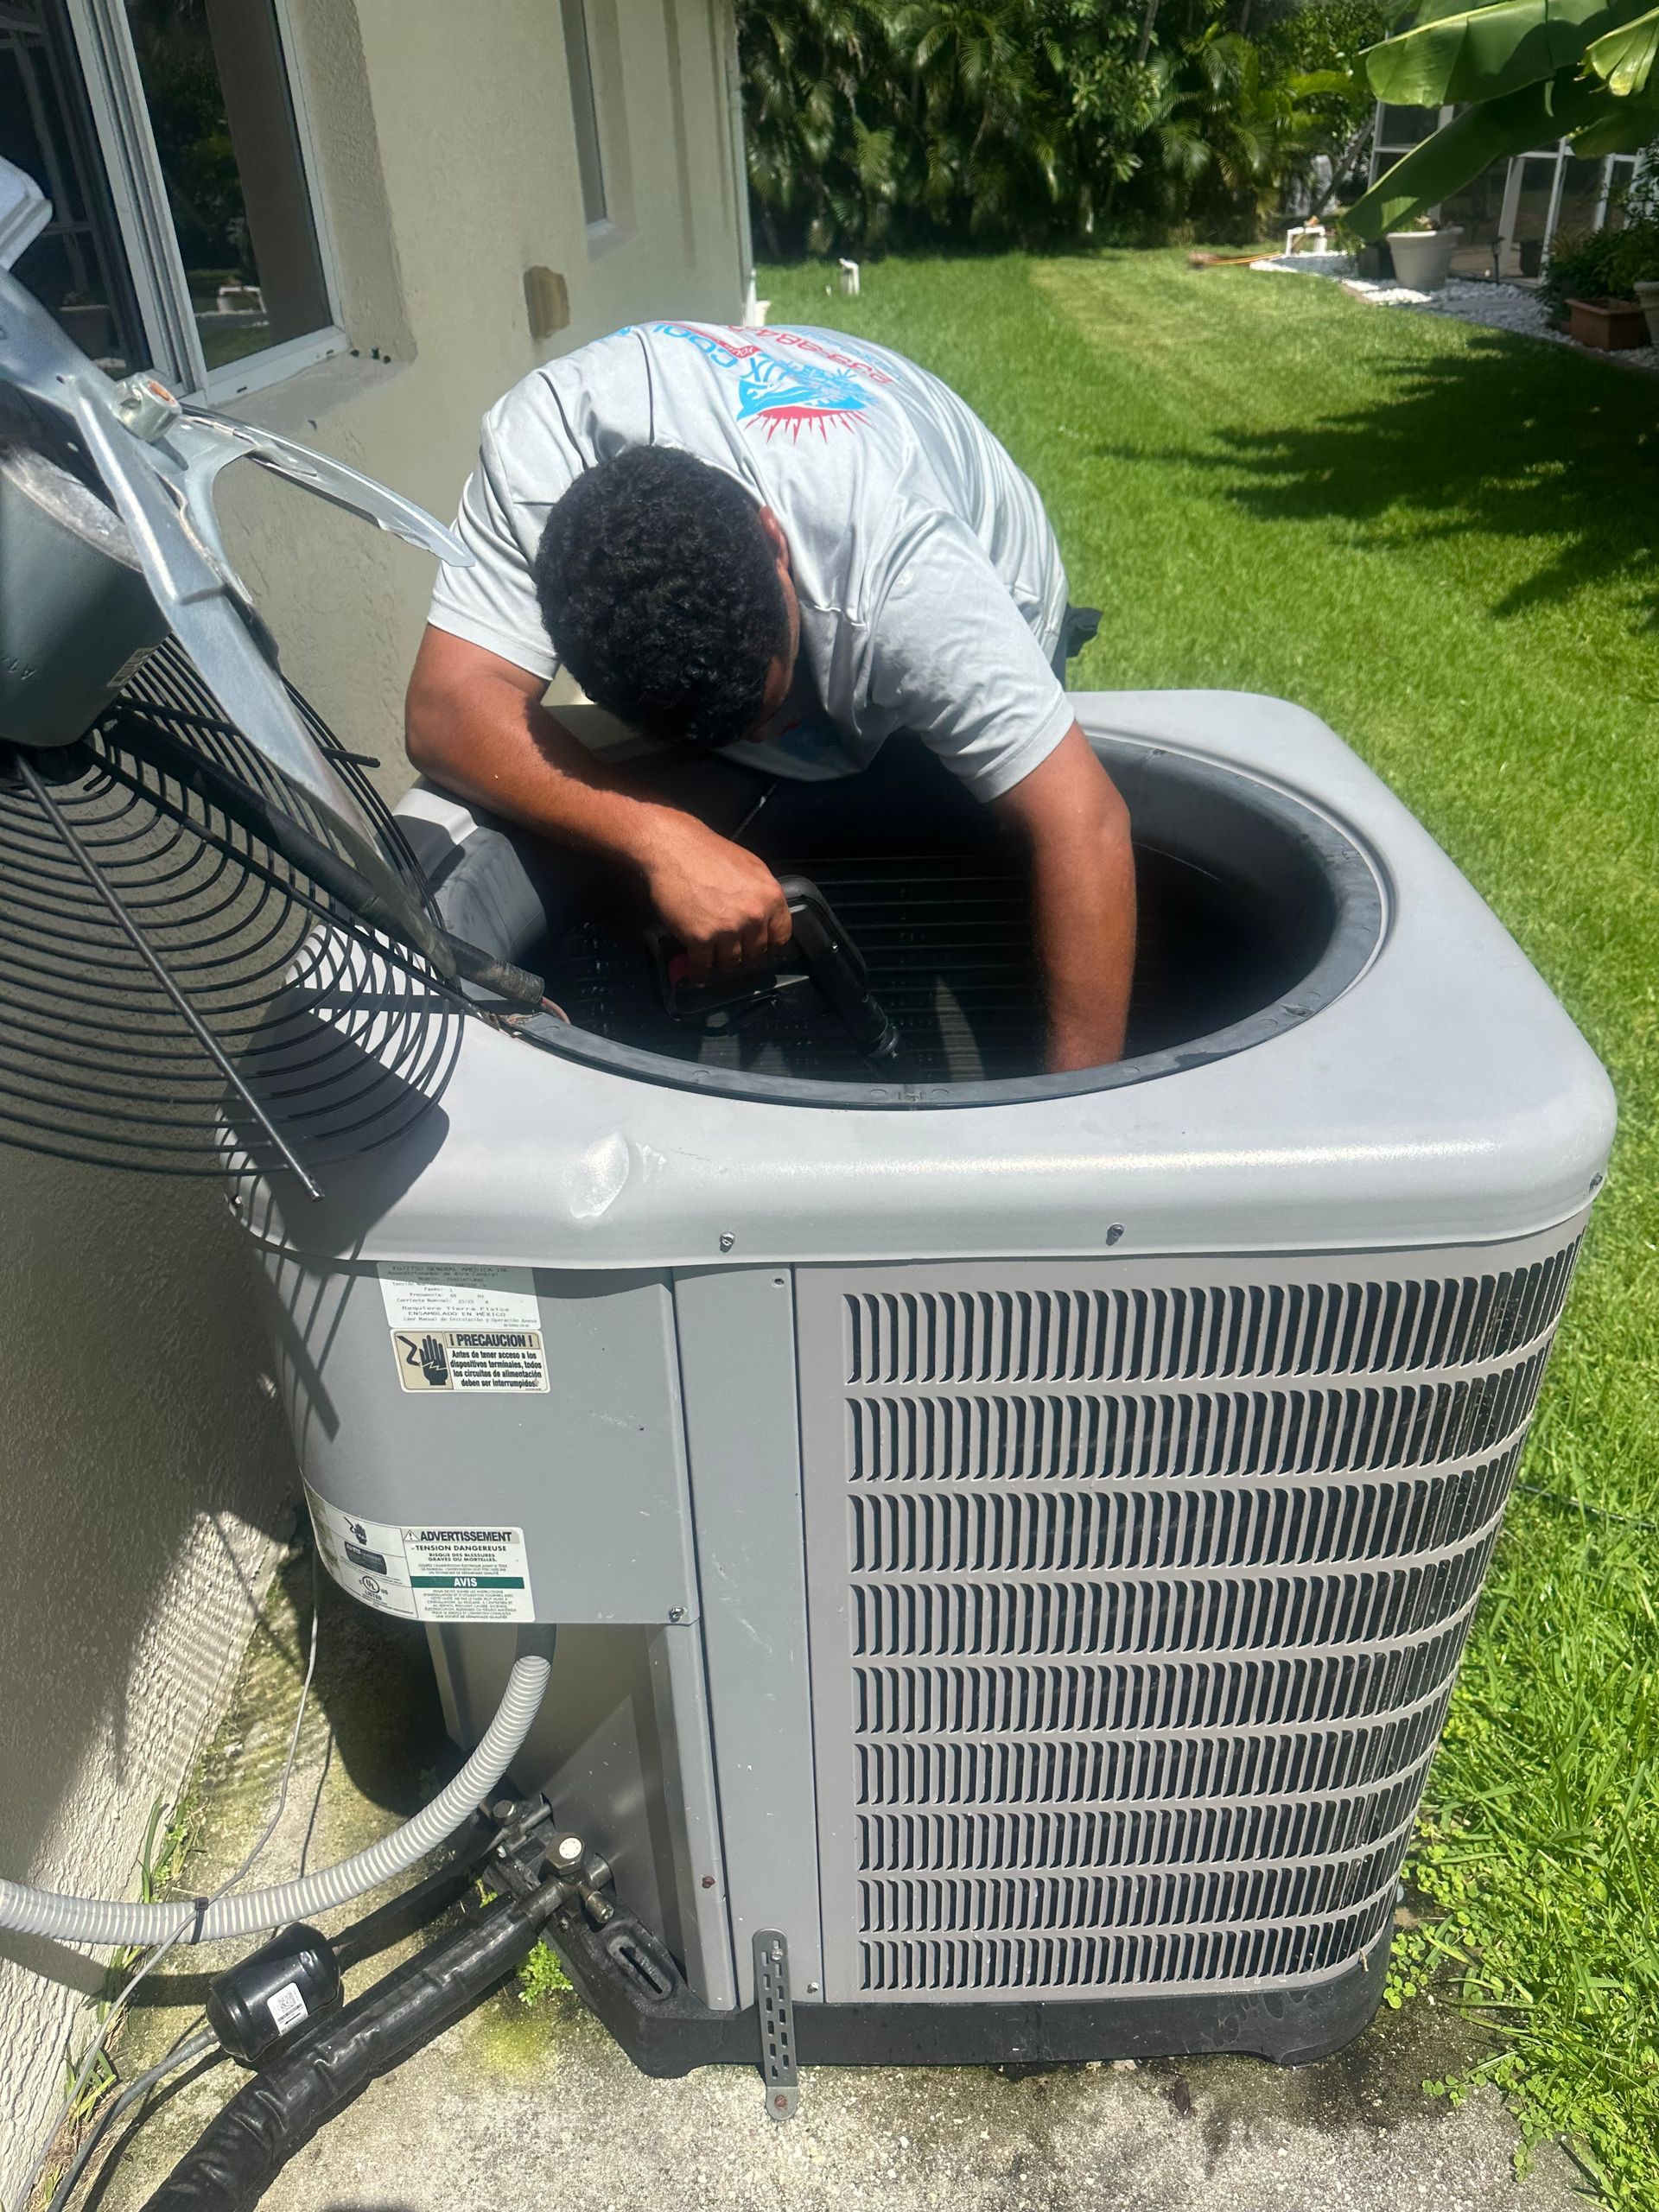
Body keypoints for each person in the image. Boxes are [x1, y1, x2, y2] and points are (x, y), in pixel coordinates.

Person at [405, 320, 1136, 1071]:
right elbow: (444, 707)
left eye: (771, 710)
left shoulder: (907, 582)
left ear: (774, 542)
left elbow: (1085, 825)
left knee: (972, 882)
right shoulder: (542, 446)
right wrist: (664, 838)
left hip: (980, 563)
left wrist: (1070, 1135)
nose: (775, 735)